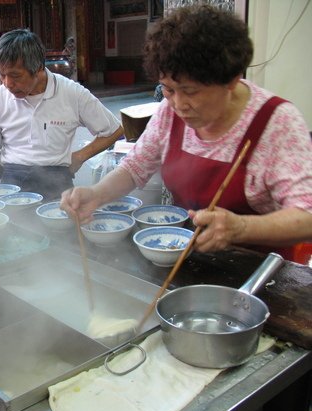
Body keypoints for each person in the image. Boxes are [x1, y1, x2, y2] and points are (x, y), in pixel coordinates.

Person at [61, 4, 312, 259]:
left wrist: (243, 228)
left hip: (260, 272)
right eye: (168, 89)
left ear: (232, 80)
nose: (179, 105)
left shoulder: (276, 122)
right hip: (187, 255)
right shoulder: (169, 113)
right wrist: (96, 194)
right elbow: (135, 167)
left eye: (190, 91)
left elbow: (307, 216)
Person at [0, 29, 124, 201]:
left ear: (38, 67)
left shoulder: (72, 93)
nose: (7, 83)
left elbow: (114, 130)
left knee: (60, 232)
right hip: (12, 183)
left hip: (57, 183)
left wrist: (79, 156)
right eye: (2, 75)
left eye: (15, 76)